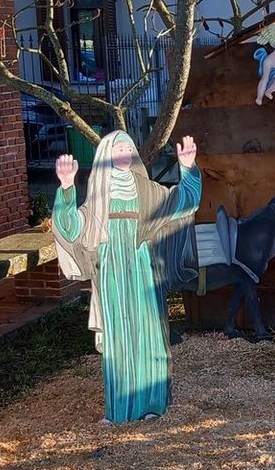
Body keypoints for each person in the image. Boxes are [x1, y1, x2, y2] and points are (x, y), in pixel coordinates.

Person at [52, 131, 201, 423]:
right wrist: (67, 188)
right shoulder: (98, 194)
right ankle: (119, 410)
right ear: (107, 156)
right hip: (111, 271)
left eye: (127, 150)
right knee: (118, 335)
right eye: (117, 150)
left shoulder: (146, 190)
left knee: (149, 332)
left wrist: (188, 169)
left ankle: (153, 404)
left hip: (141, 265)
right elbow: (70, 228)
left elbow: (184, 202)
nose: (123, 156)